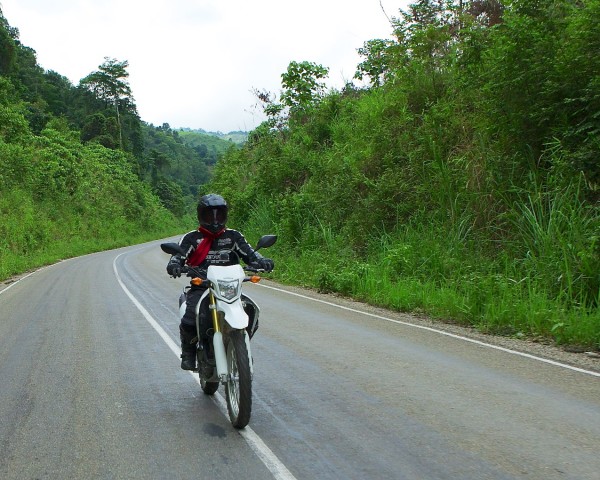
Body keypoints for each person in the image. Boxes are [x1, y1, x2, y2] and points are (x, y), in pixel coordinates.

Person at [166, 193, 274, 370]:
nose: (215, 220)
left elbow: (250, 254)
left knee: (250, 310)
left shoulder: (233, 236)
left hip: (230, 287)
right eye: (210, 215)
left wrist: (262, 260)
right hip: (202, 285)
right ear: (201, 216)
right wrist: (175, 264)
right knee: (190, 317)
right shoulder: (192, 238)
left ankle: (241, 349)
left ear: (225, 215)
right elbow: (178, 256)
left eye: (219, 214)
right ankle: (188, 354)